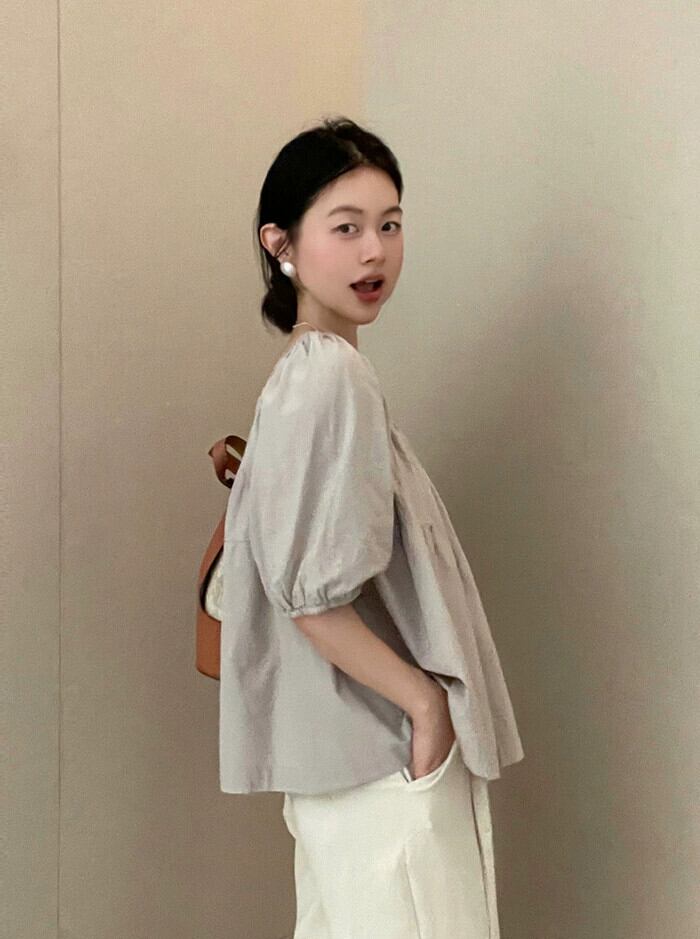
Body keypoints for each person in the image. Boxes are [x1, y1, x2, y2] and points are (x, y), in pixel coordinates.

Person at [218, 116, 524, 939]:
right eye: (346, 227)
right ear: (281, 243)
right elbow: (311, 598)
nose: (374, 252)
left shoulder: (303, 375)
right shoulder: (333, 377)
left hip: (345, 765)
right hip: (381, 757)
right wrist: (425, 705)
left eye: (389, 225)